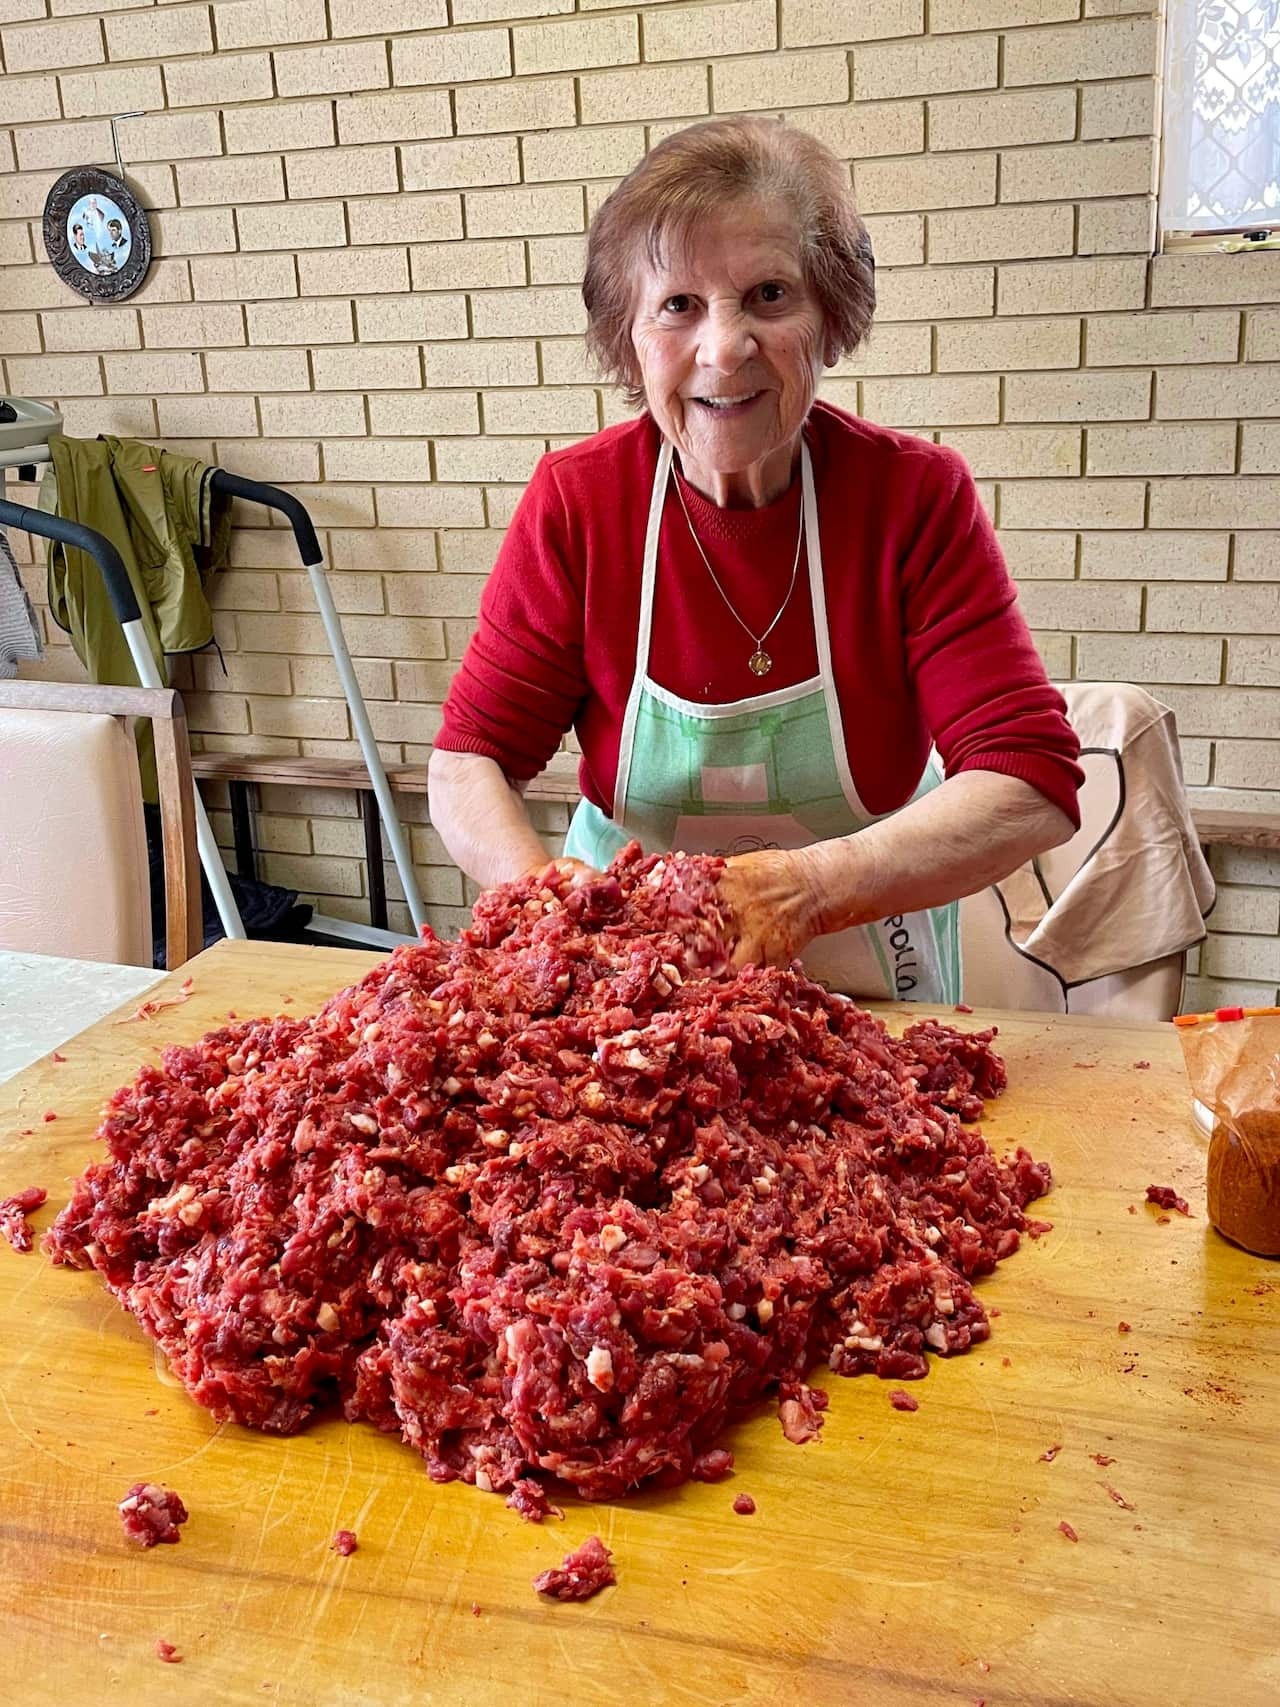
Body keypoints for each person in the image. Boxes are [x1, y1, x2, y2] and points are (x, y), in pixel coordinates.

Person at [429, 118, 1082, 1000]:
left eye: (770, 295)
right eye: (679, 305)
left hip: (865, 970)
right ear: (630, 335)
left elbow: (1027, 777)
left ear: (832, 320)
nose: (725, 347)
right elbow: (469, 760)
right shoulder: (578, 504)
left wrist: (806, 890)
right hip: (624, 979)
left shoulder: (913, 498)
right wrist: (549, 915)